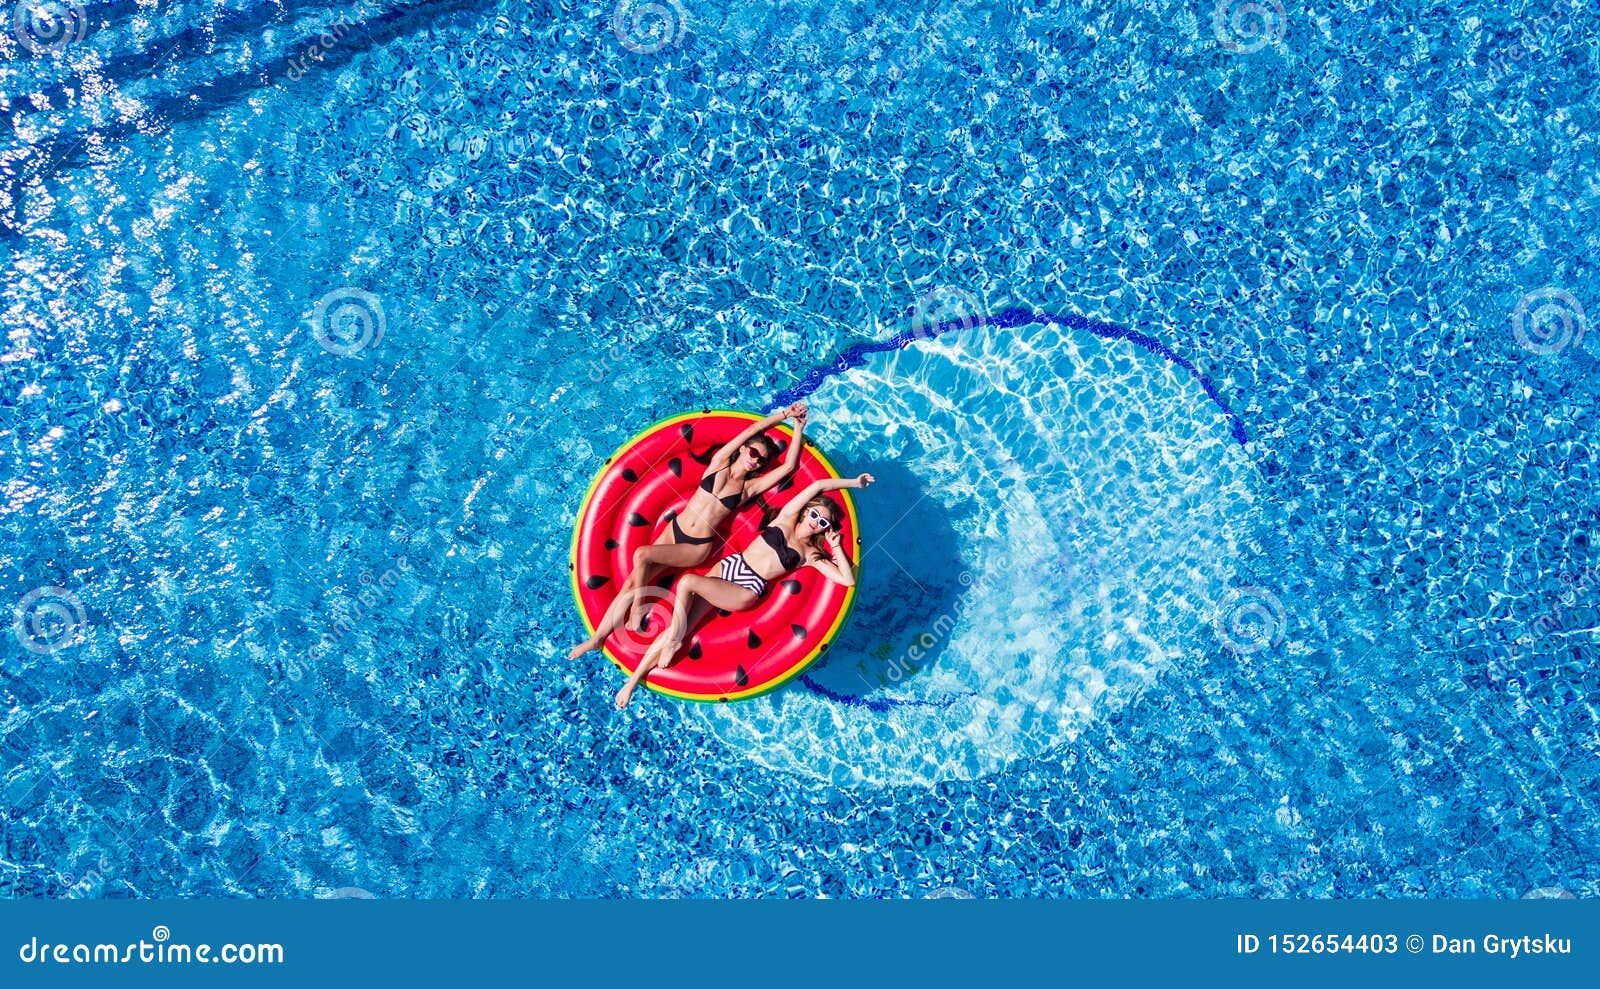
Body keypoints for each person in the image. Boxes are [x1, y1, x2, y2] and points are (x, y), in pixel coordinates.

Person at [567, 403, 809, 660]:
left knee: (641, 555)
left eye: (760, 459)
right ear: (742, 448)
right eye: (752, 452)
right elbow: (753, 429)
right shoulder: (719, 463)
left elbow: (787, 467)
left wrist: (797, 428)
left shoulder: (748, 489)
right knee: (630, 581)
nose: (754, 460)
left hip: (696, 546)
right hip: (674, 531)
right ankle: (596, 640)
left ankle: (637, 611)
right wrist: (784, 415)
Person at [615, 472, 875, 709]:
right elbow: (819, 484)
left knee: (687, 583)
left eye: (823, 523)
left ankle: (673, 642)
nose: (816, 522)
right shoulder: (785, 517)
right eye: (815, 515)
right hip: (731, 565)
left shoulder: (810, 554)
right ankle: (633, 682)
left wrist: (836, 546)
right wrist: (854, 483)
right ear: (806, 511)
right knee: (680, 626)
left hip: (748, 586)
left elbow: (846, 579)